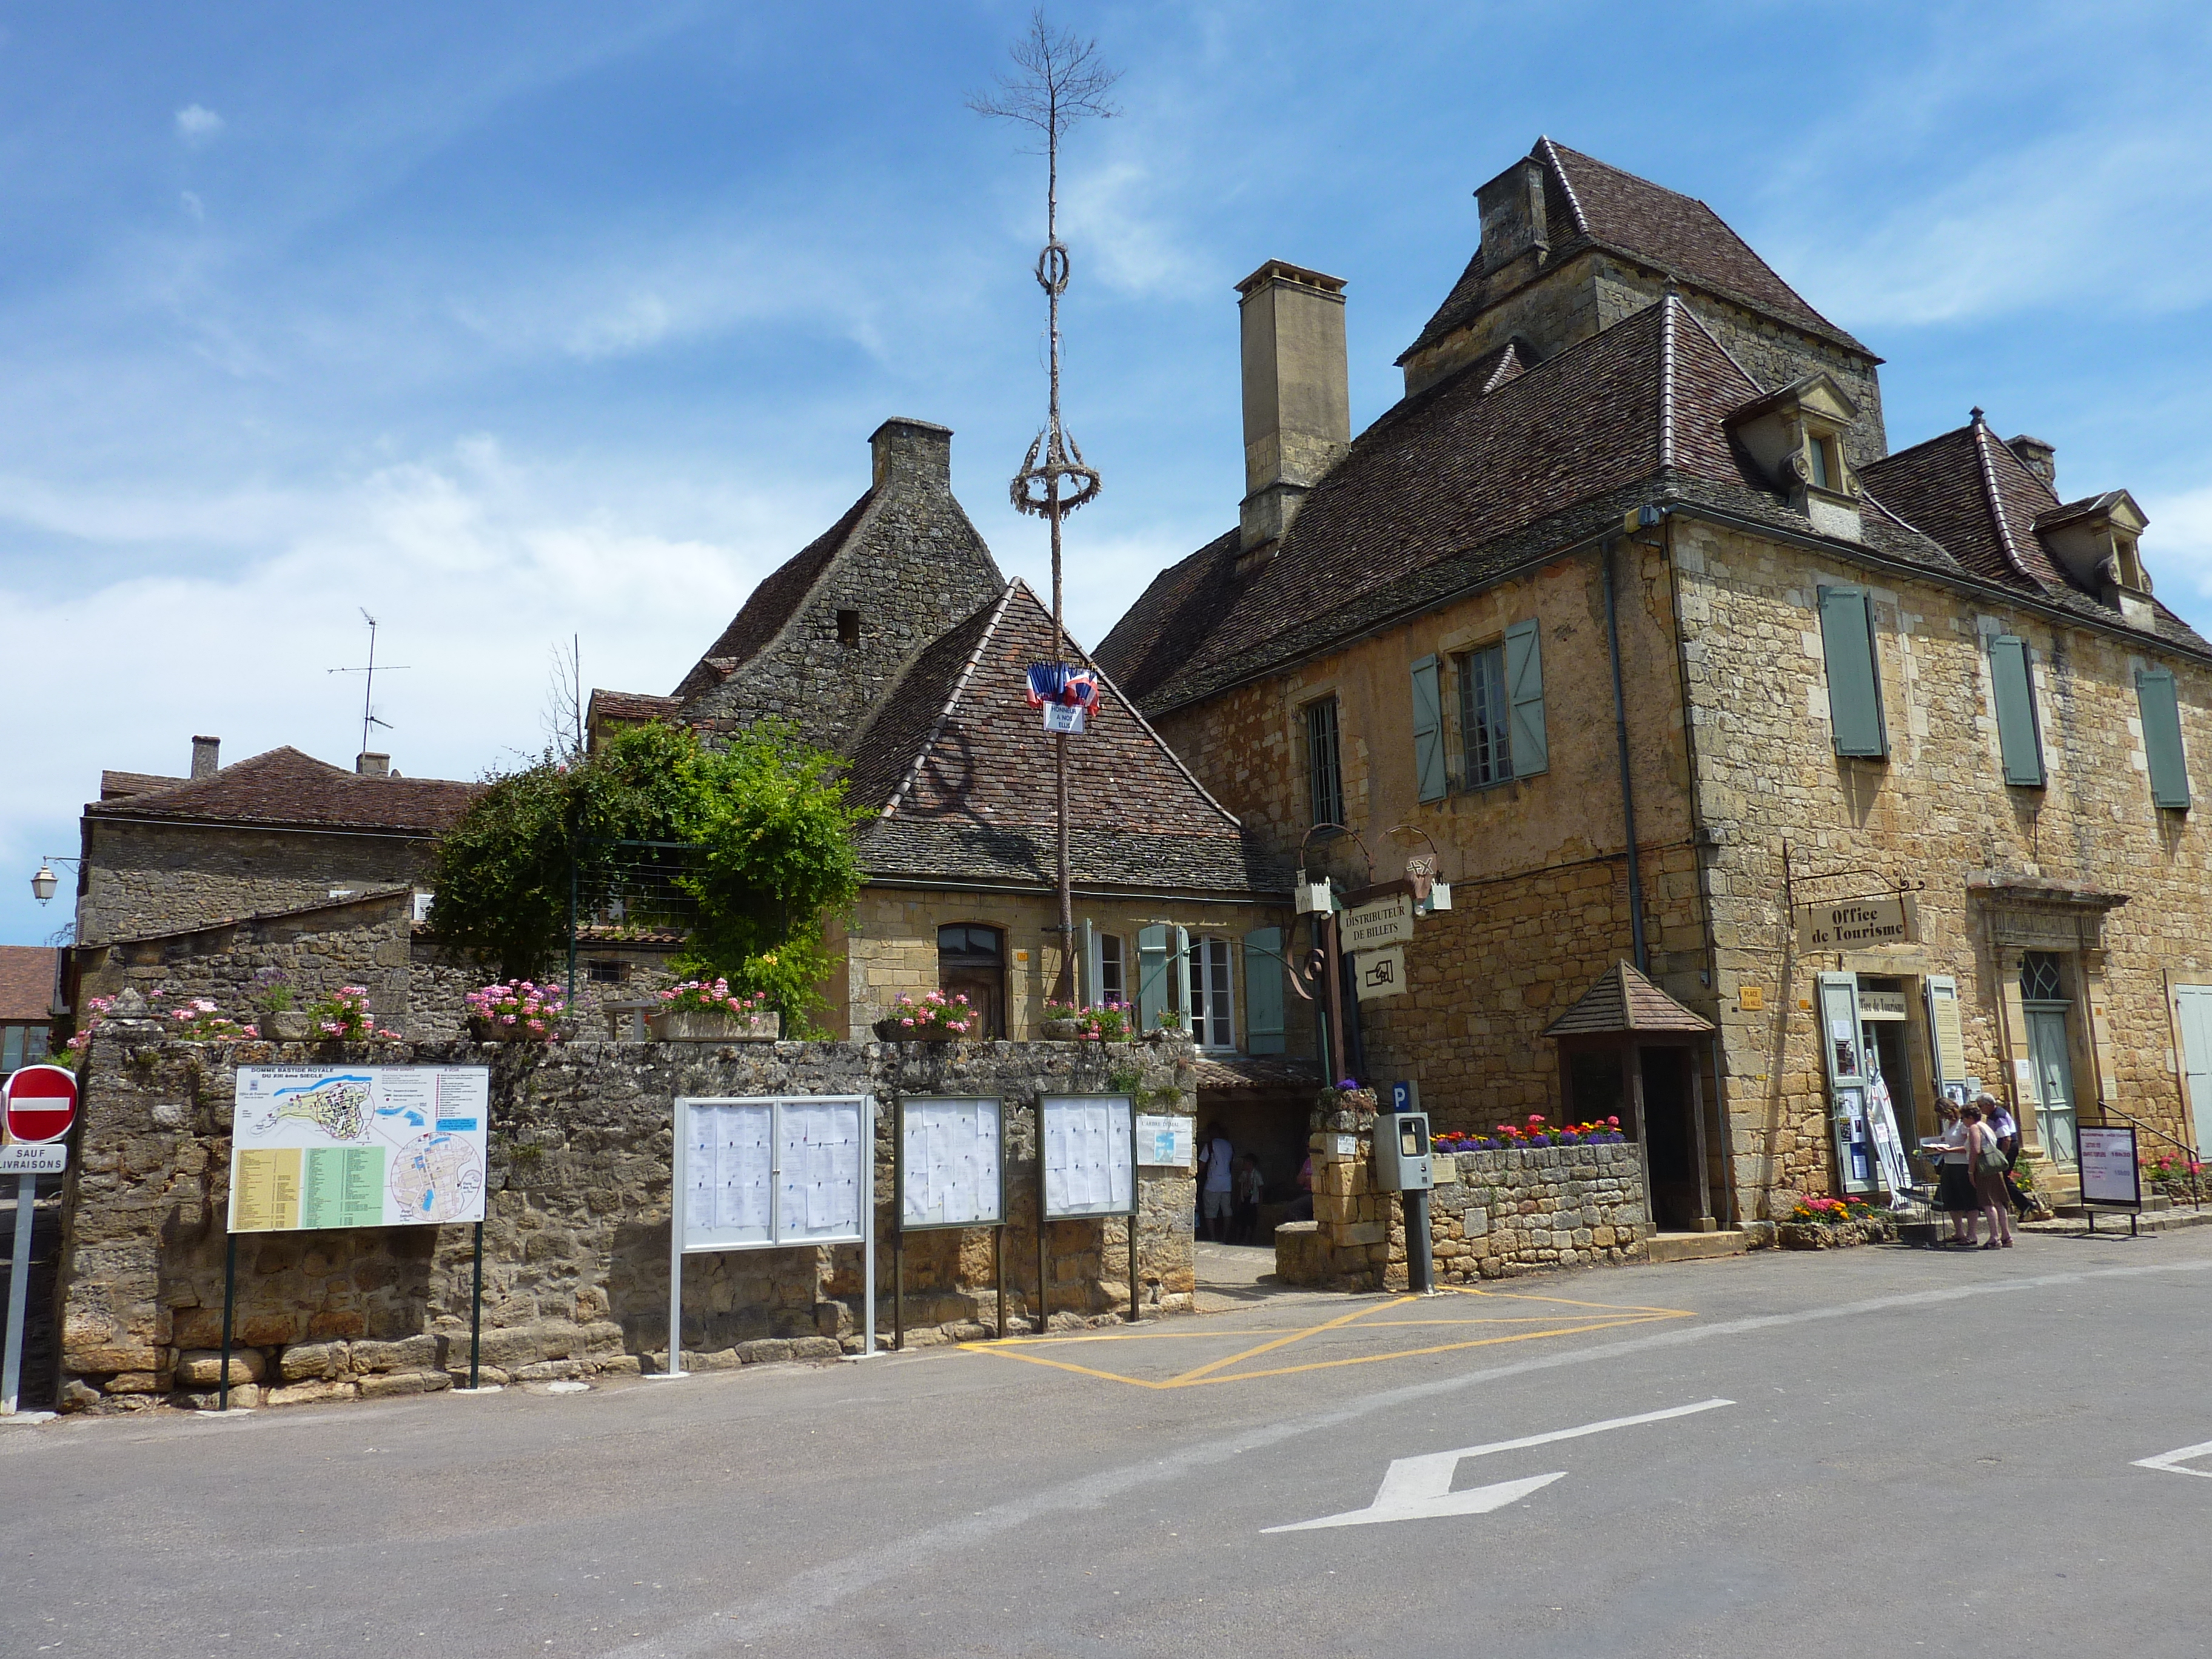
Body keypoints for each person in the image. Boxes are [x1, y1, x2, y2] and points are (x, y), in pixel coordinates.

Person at [1963, 1101, 2015, 1248]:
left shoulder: (1974, 1128)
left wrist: (1971, 1171)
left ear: (1969, 1117)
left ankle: (1994, 1237)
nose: (1963, 1121)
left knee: (1988, 1203)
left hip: (1983, 1168)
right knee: (1998, 1202)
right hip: (1994, 1167)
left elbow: (1975, 1150)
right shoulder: (1985, 1126)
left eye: (1963, 1118)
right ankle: (2006, 1236)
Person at [1931, 1101, 1979, 1246]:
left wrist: (1949, 1150)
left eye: (1944, 1113)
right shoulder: (1948, 1124)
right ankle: (1959, 1232)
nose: (1943, 1117)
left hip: (1962, 1165)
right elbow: (1947, 1141)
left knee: (1968, 1200)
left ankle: (1972, 1234)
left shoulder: (1963, 1124)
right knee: (1951, 1200)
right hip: (1949, 1164)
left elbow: (1968, 1147)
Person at [1981, 1092, 2031, 1219]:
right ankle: (2019, 1206)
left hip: (2007, 1148)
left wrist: (2002, 1156)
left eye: (1981, 1106)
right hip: (2005, 1147)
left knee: (2003, 1179)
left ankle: (2025, 1205)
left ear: (1988, 1105)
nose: (1980, 1110)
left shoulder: (1998, 1115)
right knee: (2002, 1179)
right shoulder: (1995, 1114)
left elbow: (2006, 1138)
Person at [1196, 1125, 1235, 1243]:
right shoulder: (1229, 1145)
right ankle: (1225, 1237)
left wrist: (1198, 1176)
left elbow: (1202, 1164)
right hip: (1227, 1182)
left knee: (1210, 1212)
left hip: (1213, 1183)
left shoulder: (1210, 1145)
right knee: (1227, 1211)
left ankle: (1213, 1238)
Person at [1231, 1153, 1265, 1245]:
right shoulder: (1244, 1174)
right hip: (1244, 1200)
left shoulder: (1257, 1175)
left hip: (1252, 1200)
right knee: (1241, 1220)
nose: (1244, 1165)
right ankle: (1238, 1239)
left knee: (1250, 1221)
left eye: (1246, 1163)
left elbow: (1261, 1188)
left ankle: (1247, 1239)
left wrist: (1260, 1202)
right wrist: (1239, 1199)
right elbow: (1240, 1186)